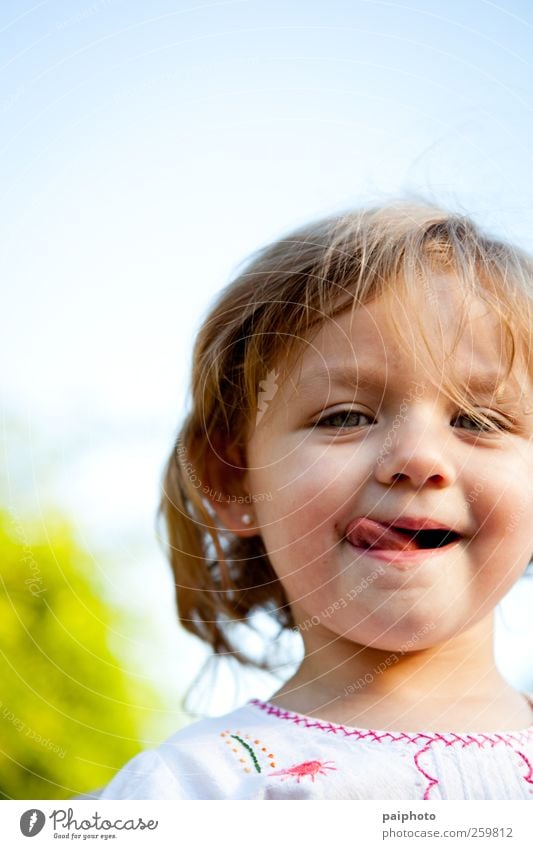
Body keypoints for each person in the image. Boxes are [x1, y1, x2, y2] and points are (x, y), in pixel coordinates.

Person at [99, 200, 533, 800]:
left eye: (479, 419)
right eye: (345, 415)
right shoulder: (189, 793)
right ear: (233, 479)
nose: (417, 459)